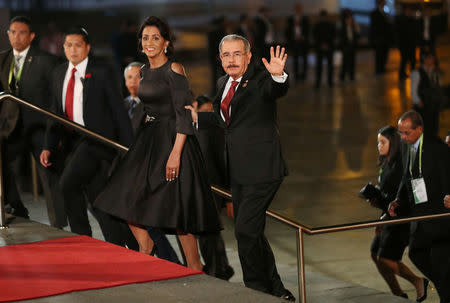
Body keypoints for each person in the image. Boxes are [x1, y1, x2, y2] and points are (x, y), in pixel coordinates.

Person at [94, 16, 222, 271]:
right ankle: (146, 245)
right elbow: (145, 109)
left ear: (165, 42)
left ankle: (195, 266)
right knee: (122, 197)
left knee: (179, 214)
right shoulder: (143, 70)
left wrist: (176, 154)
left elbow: (183, 113)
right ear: (140, 43)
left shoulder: (174, 69)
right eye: (145, 38)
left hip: (174, 140)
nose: (149, 42)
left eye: (155, 37)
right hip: (149, 139)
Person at [186, 35, 294, 301]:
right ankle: (277, 290)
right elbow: (226, 122)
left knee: (245, 230)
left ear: (248, 56)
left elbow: (274, 90)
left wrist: (279, 77)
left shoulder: (260, 79)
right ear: (220, 58)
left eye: (237, 54)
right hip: (237, 172)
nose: (232, 60)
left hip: (263, 170)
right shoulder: (223, 83)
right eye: (226, 55)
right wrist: (197, 118)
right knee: (252, 232)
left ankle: (256, 290)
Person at [39, 26, 135, 247]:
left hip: (96, 140)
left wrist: (129, 148)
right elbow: (54, 113)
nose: (73, 50)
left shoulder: (101, 72)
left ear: (88, 47)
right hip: (72, 143)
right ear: (63, 48)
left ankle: (83, 240)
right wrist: (48, 146)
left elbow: (118, 112)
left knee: (67, 184)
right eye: (68, 45)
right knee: (98, 199)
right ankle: (123, 245)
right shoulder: (59, 72)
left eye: (78, 45)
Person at [0, 16, 65, 227]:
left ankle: (58, 224)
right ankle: (17, 209)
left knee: (48, 175)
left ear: (31, 36)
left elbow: (56, 97)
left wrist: (53, 132)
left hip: (39, 128)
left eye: (21, 32)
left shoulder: (46, 60)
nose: (15, 37)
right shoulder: (2, 59)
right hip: (11, 128)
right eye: (12, 32)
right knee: (4, 166)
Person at [389, 110, 450, 303]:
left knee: (440, 262)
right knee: (416, 252)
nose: (403, 137)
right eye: (400, 132)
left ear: (419, 129)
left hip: (438, 212)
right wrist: (398, 199)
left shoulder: (436, 147)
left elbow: (447, 173)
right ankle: (445, 287)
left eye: (406, 133)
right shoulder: (407, 147)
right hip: (420, 212)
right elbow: (406, 176)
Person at [122, 60, 180, 262]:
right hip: (129, 165)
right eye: (129, 77)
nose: (134, 82)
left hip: (149, 164)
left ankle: (162, 255)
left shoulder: (152, 108)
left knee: (145, 213)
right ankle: (156, 253)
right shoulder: (123, 105)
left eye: (138, 77)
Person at [368, 126, 424, 299]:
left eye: (383, 142)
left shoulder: (402, 164)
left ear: (393, 143)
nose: (379, 145)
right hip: (387, 215)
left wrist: (385, 218)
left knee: (385, 258)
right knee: (374, 253)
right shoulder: (386, 162)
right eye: (378, 142)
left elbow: (405, 195)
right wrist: (377, 199)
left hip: (401, 218)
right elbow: (388, 192)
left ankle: (417, 281)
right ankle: (397, 293)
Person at [410, 51, 443, 137]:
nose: (432, 60)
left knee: (434, 126)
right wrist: (417, 101)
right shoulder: (417, 73)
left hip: (433, 105)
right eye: (430, 58)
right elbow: (413, 90)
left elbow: (438, 86)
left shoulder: (435, 72)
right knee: (423, 127)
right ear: (424, 60)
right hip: (422, 106)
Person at [285, 3, 310, 82]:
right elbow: (287, 31)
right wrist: (292, 38)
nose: (298, 10)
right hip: (294, 42)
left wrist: (303, 37)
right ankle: (296, 76)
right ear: (295, 9)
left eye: (300, 8)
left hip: (303, 42)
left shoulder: (305, 18)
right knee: (295, 59)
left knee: (304, 59)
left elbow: (308, 30)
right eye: (297, 8)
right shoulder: (290, 19)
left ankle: (304, 75)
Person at [313, 9, 336, 88]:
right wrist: (325, 44)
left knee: (324, 66)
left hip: (323, 47)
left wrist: (323, 44)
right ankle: (328, 82)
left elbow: (316, 36)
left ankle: (320, 83)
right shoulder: (329, 24)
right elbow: (316, 36)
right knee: (324, 66)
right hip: (326, 47)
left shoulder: (319, 25)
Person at [369, 0, 393, 75]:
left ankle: (382, 68)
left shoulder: (385, 13)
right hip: (379, 38)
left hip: (385, 38)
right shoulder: (374, 13)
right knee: (379, 55)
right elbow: (374, 27)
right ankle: (378, 70)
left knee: (384, 55)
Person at [395, 5, 418, 80]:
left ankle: (412, 73)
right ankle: (402, 74)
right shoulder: (400, 19)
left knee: (412, 59)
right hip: (404, 44)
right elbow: (399, 32)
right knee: (404, 59)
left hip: (411, 43)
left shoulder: (411, 18)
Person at [338, 9, 360, 82]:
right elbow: (340, 35)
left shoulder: (354, 24)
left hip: (352, 44)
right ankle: (342, 76)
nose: (349, 18)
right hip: (345, 45)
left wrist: (355, 26)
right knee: (345, 61)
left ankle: (351, 76)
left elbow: (357, 34)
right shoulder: (341, 24)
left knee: (352, 61)